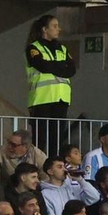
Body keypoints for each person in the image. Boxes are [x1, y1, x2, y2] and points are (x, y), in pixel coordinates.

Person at [25, 15, 74, 156]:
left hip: (61, 98)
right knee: (40, 139)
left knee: (57, 139)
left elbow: (71, 69)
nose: (59, 29)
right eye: (54, 25)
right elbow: (42, 65)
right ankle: (39, 167)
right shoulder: (33, 48)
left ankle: (55, 165)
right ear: (44, 29)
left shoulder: (62, 48)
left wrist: (52, 65)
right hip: (41, 98)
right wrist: (60, 66)